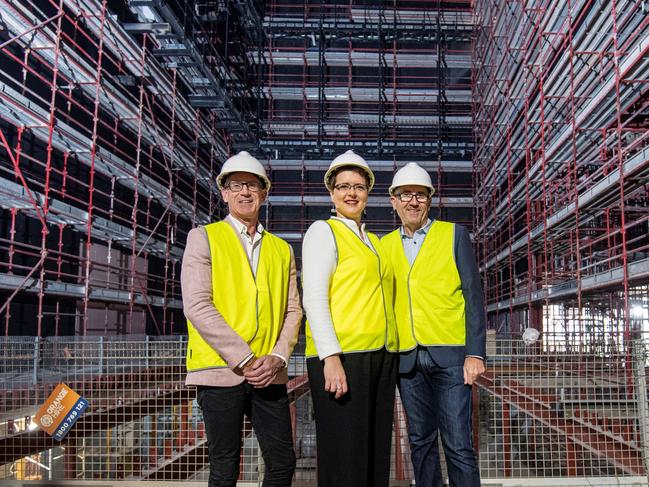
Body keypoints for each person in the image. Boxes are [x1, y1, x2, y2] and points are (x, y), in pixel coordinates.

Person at [181, 151, 302, 487]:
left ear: (263, 193)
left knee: (282, 462)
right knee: (225, 466)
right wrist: (245, 358)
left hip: (268, 373)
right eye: (237, 186)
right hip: (221, 371)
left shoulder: (282, 249)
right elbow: (197, 305)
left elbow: (294, 310)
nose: (245, 192)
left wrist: (277, 357)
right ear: (224, 192)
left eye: (252, 185)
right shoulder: (203, 238)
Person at [380, 162, 486, 487]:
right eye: (405, 195)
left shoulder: (454, 235)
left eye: (420, 195)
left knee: (458, 445)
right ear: (393, 201)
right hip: (407, 360)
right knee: (420, 443)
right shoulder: (382, 247)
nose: (413, 201)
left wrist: (475, 353)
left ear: (429, 200)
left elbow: (473, 294)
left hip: (451, 357)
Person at [302, 150, 398, 487]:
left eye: (358, 186)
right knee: (344, 456)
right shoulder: (323, 232)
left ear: (368, 192)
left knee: (372, 454)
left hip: (378, 356)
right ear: (331, 192)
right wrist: (330, 356)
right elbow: (313, 296)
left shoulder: (372, 241)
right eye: (343, 186)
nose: (351, 193)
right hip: (343, 358)